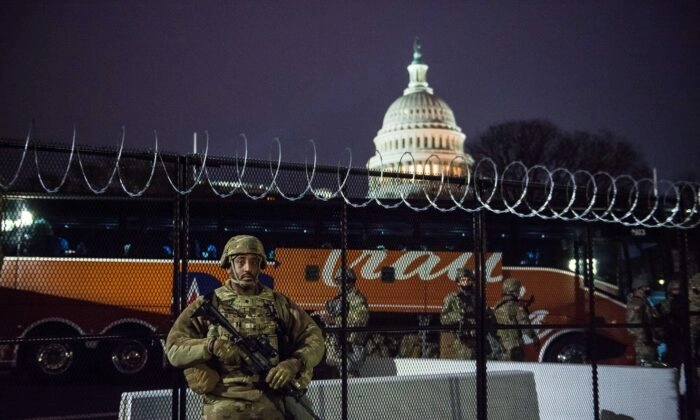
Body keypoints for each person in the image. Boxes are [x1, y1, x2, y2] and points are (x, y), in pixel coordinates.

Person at [165, 235, 325, 420]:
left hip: (271, 401)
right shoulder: (209, 304)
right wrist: (211, 346)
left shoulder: (279, 303)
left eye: (254, 262)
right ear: (229, 264)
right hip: (224, 404)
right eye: (241, 262)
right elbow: (174, 350)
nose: (248, 268)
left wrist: (293, 363)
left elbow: (314, 338)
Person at [314, 267, 369, 377]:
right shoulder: (341, 298)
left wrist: (334, 320)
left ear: (348, 282)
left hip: (348, 346)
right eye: (337, 281)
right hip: (335, 346)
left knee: (349, 378)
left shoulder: (357, 300)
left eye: (339, 281)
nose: (337, 285)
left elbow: (359, 321)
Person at [493, 277, 540, 361]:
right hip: (514, 342)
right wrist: (533, 336)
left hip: (501, 342)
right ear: (515, 290)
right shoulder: (515, 305)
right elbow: (524, 323)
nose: (519, 292)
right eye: (518, 290)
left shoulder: (497, 305)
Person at [625, 275, 663, 366]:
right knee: (645, 366)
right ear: (638, 288)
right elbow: (634, 323)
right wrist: (645, 340)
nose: (648, 289)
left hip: (648, 343)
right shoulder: (636, 303)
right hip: (643, 345)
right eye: (645, 287)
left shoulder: (644, 302)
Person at [657, 278, 684, 368]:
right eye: (674, 290)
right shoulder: (665, 304)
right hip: (671, 334)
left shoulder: (682, 303)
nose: (676, 292)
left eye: (678, 290)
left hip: (680, 334)